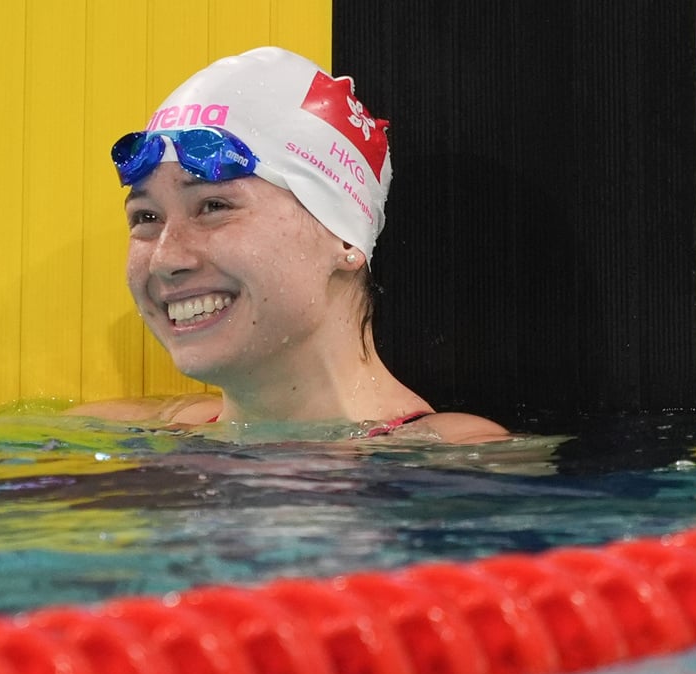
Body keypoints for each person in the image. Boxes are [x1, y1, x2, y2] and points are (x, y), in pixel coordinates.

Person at [70, 47, 508, 443]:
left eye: (213, 205)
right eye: (146, 218)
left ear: (343, 235)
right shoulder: (115, 429)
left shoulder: (456, 456)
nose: (166, 259)